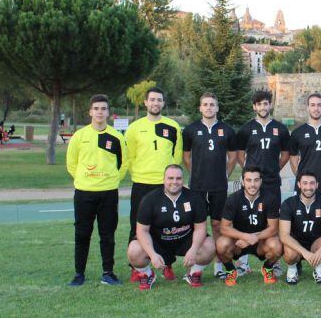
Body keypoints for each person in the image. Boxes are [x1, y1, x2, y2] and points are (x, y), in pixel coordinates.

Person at [64, 95, 127, 286]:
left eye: (103, 108)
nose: (100, 112)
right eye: (96, 108)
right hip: (84, 193)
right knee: (82, 234)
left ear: (108, 112)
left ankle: (108, 272)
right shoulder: (79, 136)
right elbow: (71, 163)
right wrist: (83, 180)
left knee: (107, 235)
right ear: (90, 112)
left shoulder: (116, 137)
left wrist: (112, 179)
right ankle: (79, 273)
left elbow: (124, 163)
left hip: (108, 193)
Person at [125, 86, 183, 281]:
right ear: (145, 103)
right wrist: (140, 174)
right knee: (137, 226)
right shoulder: (134, 128)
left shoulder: (173, 127)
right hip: (141, 183)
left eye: (159, 100)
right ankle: (137, 268)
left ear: (163, 103)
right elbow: (129, 156)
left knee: (166, 226)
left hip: (164, 186)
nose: (155, 103)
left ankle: (167, 264)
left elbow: (176, 157)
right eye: (152, 100)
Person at [127, 165, 216, 290]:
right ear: (163, 179)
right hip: (158, 241)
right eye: (170, 178)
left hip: (184, 240)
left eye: (178, 178)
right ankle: (147, 274)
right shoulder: (150, 199)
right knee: (134, 249)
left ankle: (193, 273)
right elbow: (142, 231)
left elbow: (200, 228)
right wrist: (152, 254)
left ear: (182, 180)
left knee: (210, 245)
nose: (174, 182)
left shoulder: (194, 198)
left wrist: (194, 249)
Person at [182, 92, 237, 280]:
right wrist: (194, 173)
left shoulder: (227, 130)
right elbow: (186, 156)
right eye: (205, 104)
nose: (209, 107)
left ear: (217, 108)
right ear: (200, 108)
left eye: (212, 104)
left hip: (218, 186)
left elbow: (233, 157)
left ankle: (219, 265)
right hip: (197, 186)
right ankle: (193, 265)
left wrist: (225, 175)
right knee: (196, 225)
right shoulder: (190, 130)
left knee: (217, 225)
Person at [235, 90, 290, 277]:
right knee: (245, 216)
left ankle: (274, 262)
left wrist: (275, 168)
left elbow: (286, 154)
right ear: (254, 107)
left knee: (272, 218)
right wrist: (249, 171)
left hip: (272, 181)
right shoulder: (246, 129)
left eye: (266, 103)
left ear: (270, 105)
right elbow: (240, 155)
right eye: (259, 104)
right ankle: (243, 261)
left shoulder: (280, 129)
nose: (263, 107)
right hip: (251, 183)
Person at [216, 167, 283, 286]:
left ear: (261, 181)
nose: (252, 184)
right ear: (242, 181)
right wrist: (246, 237)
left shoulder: (270, 198)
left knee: (276, 246)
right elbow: (224, 228)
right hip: (239, 243)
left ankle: (267, 268)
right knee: (221, 244)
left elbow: (273, 228)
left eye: (256, 180)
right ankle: (231, 270)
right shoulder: (233, 199)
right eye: (248, 180)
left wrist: (253, 238)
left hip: (261, 242)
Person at [278, 171, 321, 284]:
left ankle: (319, 270)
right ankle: (292, 270)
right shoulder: (288, 203)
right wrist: (304, 252)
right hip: (296, 244)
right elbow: (284, 235)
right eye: (305, 183)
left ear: (317, 185)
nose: (308, 187)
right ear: (299, 184)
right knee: (289, 253)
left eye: (311, 183)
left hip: (316, 242)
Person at [288, 93, 321, 203]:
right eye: (312, 105)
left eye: (319, 105)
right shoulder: (297, 133)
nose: (316, 108)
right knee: (301, 217)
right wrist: (302, 179)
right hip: (304, 185)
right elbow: (293, 160)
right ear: (307, 107)